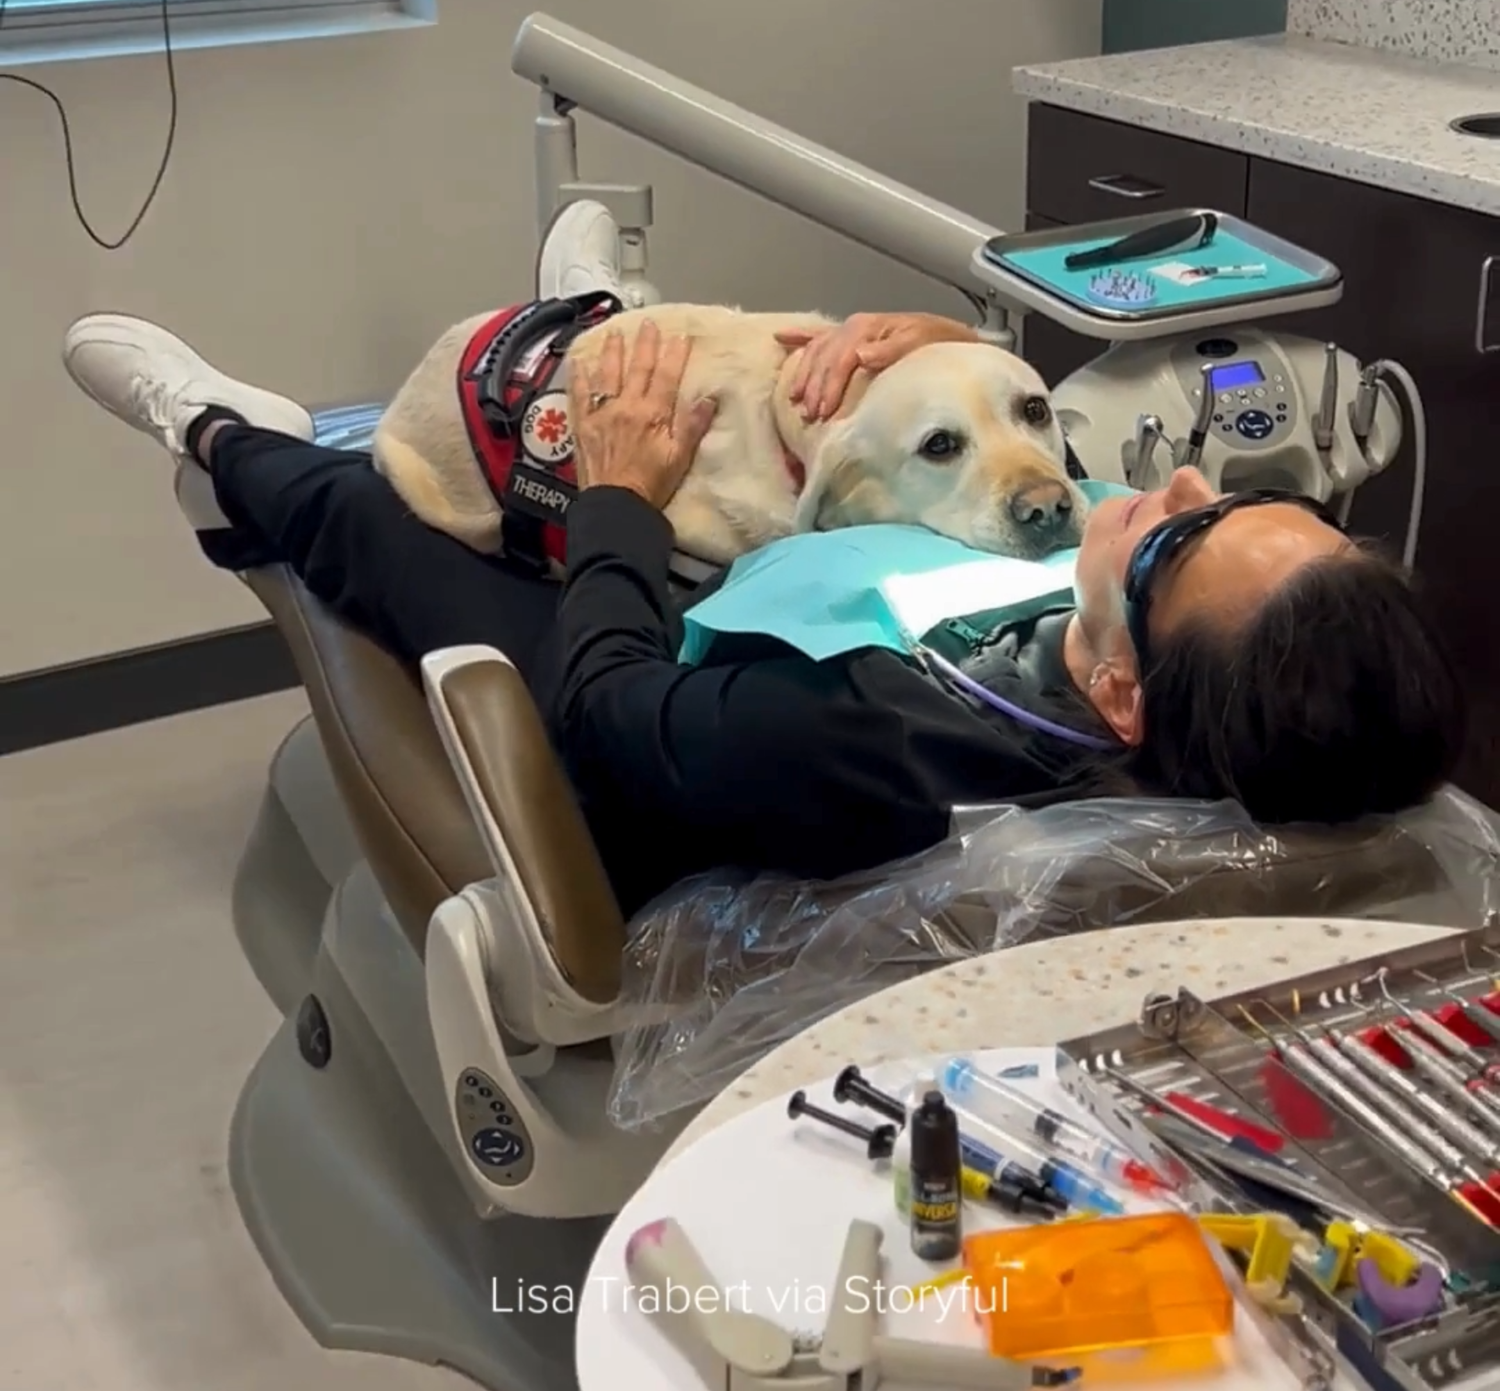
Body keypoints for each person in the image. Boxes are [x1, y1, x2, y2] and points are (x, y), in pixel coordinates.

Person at [62, 205, 1464, 920]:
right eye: (1268, 504)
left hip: (626, 717)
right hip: (777, 610)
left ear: (1117, 691)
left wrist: (616, 502)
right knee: (716, 403)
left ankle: (220, 436)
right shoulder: (1143, 641)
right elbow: (1020, 471)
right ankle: (602, 317)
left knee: (374, 520)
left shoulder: (851, 735)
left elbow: (609, 706)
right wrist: (936, 350)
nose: (1181, 484)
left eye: (1188, 529)